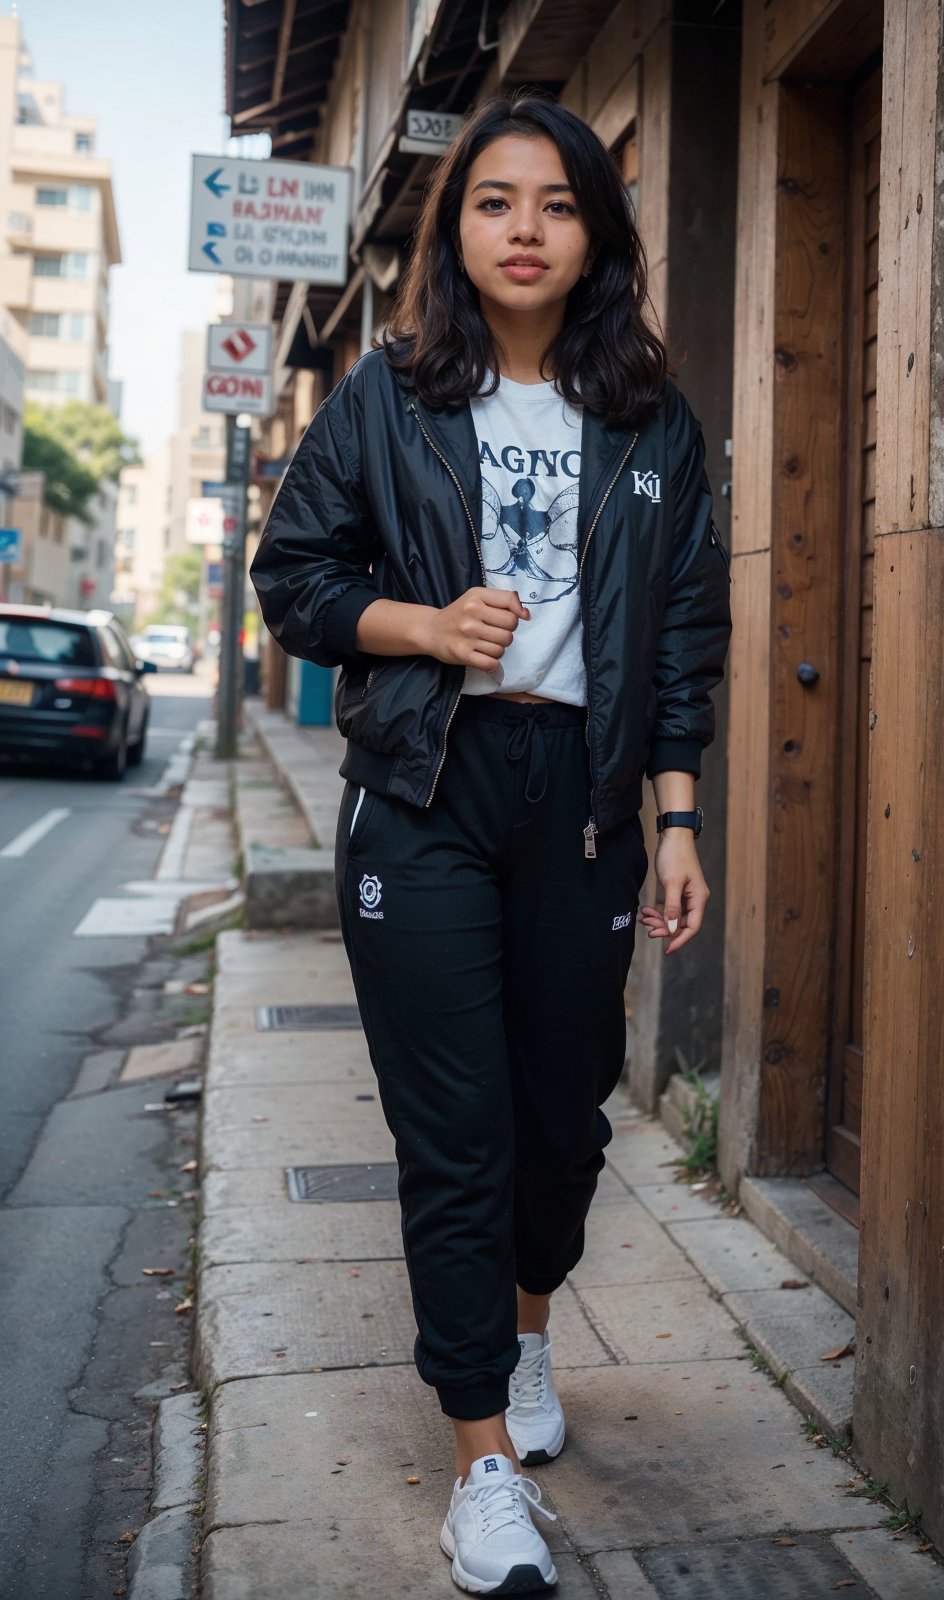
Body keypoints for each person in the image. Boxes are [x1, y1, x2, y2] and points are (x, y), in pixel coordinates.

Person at [251, 92, 732, 1598]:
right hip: (429, 788)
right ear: (456, 230)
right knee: (454, 1133)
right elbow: (295, 578)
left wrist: (675, 820)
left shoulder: (653, 421)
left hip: (584, 800)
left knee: (563, 1119)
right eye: (493, 201)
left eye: (557, 204)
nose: (523, 229)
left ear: (597, 235)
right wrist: (423, 627)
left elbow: (683, 647)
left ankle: (527, 1338)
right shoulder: (390, 396)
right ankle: (480, 1468)